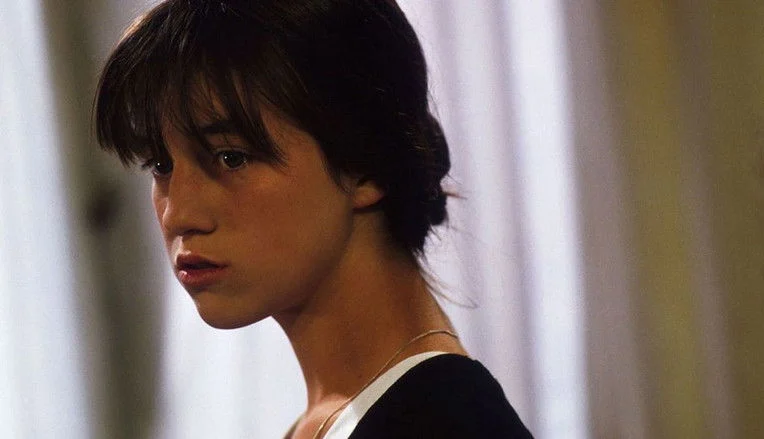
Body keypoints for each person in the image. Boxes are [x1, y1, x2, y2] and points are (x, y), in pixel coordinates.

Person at [94, 0, 533, 437]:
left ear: (367, 163)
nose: (178, 215)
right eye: (161, 165)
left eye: (231, 157)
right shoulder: (336, 419)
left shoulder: (449, 425)